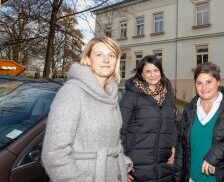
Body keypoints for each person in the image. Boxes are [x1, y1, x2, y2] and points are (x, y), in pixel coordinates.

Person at [42, 37, 132, 182]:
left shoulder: (111, 93)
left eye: (111, 55)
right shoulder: (72, 92)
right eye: (99, 55)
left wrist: (121, 166)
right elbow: (54, 155)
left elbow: (112, 141)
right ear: (88, 59)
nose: (106, 60)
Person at [173, 62, 224, 182]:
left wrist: (216, 152)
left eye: (209, 82)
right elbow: (181, 148)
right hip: (192, 179)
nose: (204, 87)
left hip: (221, 178)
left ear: (218, 82)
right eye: (199, 83)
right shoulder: (189, 110)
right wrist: (177, 178)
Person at [119, 55, 177, 182]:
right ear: (142, 74)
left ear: (161, 72)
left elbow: (172, 123)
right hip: (137, 165)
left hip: (164, 164)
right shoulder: (132, 95)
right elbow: (120, 129)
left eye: (156, 70)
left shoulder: (168, 94)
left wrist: (173, 144)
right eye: (148, 71)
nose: (153, 75)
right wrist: (121, 163)